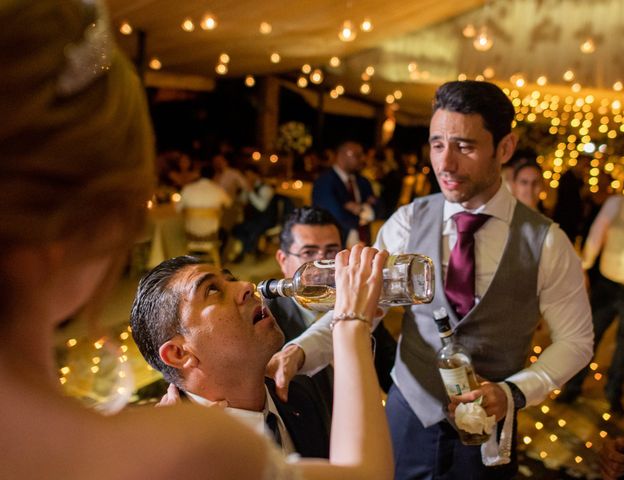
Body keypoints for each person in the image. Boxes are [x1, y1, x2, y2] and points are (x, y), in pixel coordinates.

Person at [0, 2, 393, 479]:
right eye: (212, 289)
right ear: (97, 224)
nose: (247, 287)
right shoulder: (184, 446)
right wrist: (352, 319)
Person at [268, 81, 593, 479]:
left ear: (504, 148)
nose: (445, 163)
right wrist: (301, 351)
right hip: (408, 413)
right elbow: (362, 309)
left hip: (487, 430)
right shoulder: (406, 222)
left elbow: (576, 341)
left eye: (464, 146)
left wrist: (513, 392)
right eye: (437, 144)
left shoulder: (547, 242)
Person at [130, 256, 331, 458]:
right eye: (212, 290)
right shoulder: (178, 461)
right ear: (179, 353)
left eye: (232, 279)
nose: (246, 286)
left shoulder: (301, 397)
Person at [271, 207, 397, 398]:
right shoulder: (270, 324)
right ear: (282, 260)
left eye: (331, 251)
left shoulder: (361, 303)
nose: (321, 265)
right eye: (309, 253)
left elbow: (391, 372)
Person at [557, 186, 624, 413]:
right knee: (589, 336)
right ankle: (572, 387)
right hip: (607, 285)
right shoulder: (616, 203)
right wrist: (583, 267)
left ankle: (613, 391)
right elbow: (596, 234)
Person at [312, 141, 378, 246]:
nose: (362, 159)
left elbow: (380, 208)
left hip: (363, 240)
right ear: (342, 155)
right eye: (357, 155)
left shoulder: (363, 182)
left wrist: (360, 209)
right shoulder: (325, 182)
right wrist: (364, 215)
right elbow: (334, 215)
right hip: (336, 242)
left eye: (362, 155)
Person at [177, 163, 232, 239]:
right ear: (214, 176)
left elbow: (178, 209)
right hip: (212, 233)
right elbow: (229, 204)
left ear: (199, 174)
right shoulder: (219, 190)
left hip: (190, 233)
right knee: (226, 233)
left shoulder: (187, 189)